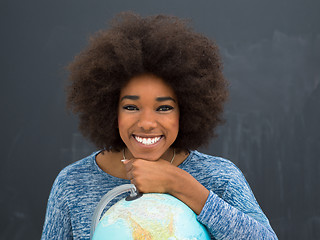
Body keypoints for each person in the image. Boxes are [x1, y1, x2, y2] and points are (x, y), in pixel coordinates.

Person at [41, 12, 278, 239]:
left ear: (185, 111)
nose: (146, 123)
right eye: (131, 107)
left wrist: (181, 185)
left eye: (164, 108)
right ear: (110, 110)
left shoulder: (220, 178)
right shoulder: (73, 183)